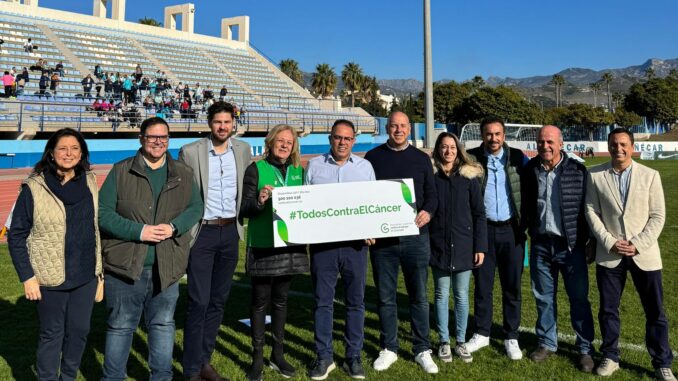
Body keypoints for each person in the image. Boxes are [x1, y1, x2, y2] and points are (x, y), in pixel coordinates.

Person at [98, 117, 203, 381]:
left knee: (163, 325)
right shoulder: (121, 171)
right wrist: (139, 231)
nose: (158, 142)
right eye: (152, 137)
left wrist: (174, 227)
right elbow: (102, 214)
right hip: (125, 266)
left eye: (163, 137)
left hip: (166, 266)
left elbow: (196, 208)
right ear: (141, 138)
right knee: (121, 326)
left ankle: (161, 377)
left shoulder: (183, 172)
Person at [8, 128, 102, 381]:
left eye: (74, 148)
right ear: (51, 152)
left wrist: (99, 275)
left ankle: (68, 377)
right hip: (49, 277)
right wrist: (27, 277)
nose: (68, 153)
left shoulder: (90, 181)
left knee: (80, 331)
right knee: (52, 333)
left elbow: (95, 230)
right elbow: (16, 235)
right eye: (62, 148)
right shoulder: (34, 187)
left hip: (85, 275)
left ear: (82, 153)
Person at [585, 128, 675, 380]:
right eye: (614, 144)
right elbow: (591, 211)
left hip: (644, 255)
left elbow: (658, 216)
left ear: (632, 147)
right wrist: (610, 241)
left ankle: (661, 362)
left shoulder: (650, 175)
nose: (619, 148)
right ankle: (611, 356)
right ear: (609, 145)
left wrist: (638, 244)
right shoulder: (595, 174)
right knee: (608, 309)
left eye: (624, 144)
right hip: (610, 254)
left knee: (655, 310)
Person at [179, 101, 253, 381]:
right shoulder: (190, 152)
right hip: (202, 233)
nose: (223, 127)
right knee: (198, 301)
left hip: (230, 232)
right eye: (217, 122)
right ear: (209, 123)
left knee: (218, 300)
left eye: (227, 122)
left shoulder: (243, 150)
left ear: (233, 123)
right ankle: (190, 369)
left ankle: (204, 361)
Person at [364, 111, 439, 374]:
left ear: (409, 129)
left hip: (416, 239)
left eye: (403, 126)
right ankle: (389, 347)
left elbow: (432, 196)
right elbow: (364, 198)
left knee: (419, 296)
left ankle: (422, 348)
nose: (398, 130)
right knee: (385, 297)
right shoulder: (372, 158)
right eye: (394, 125)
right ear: (387, 128)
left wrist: (427, 212)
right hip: (383, 242)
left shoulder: (421, 159)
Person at [304, 119, 376, 379]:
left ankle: (353, 356)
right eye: (337, 137)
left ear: (354, 140)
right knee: (323, 302)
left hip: (355, 248)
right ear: (330, 138)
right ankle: (324, 356)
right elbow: (305, 206)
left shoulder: (366, 168)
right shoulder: (314, 166)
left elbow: (372, 206)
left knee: (355, 302)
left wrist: (373, 228)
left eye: (347, 138)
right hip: (323, 248)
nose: (342, 142)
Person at [521, 126, 595, 372]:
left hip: (571, 246)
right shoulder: (530, 170)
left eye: (550, 142)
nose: (545, 146)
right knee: (543, 298)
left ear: (561, 144)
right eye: (541, 142)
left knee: (578, 300)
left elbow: (588, 210)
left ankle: (585, 348)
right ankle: (547, 342)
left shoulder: (577, 170)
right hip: (541, 244)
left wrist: (589, 242)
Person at [239, 124, 308, 381]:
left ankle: (277, 355)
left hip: (290, 245)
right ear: (270, 143)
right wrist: (259, 200)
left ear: (293, 147)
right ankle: (257, 358)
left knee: (281, 301)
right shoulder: (256, 169)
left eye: (288, 143)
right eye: (280, 141)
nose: (284, 146)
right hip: (263, 245)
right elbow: (244, 209)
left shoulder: (300, 171)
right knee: (259, 302)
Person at [465, 116, 527, 360]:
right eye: (488, 134)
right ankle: (482, 332)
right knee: (483, 286)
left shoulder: (518, 157)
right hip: (483, 232)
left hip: (512, 231)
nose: (493, 138)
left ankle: (511, 336)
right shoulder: (470, 158)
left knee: (512, 287)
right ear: (482, 135)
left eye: (497, 133)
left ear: (504, 135)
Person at [428, 132, 486, 364]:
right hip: (438, 246)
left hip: (464, 246)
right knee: (441, 294)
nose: (448, 151)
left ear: (458, 150)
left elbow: (479, 214)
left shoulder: (468, 178)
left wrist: (480, 246)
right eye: (444, 147)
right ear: (438, 150)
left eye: (452, 147)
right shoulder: (431, 177)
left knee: (461, 295)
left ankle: (460, 341)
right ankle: (444, 341)